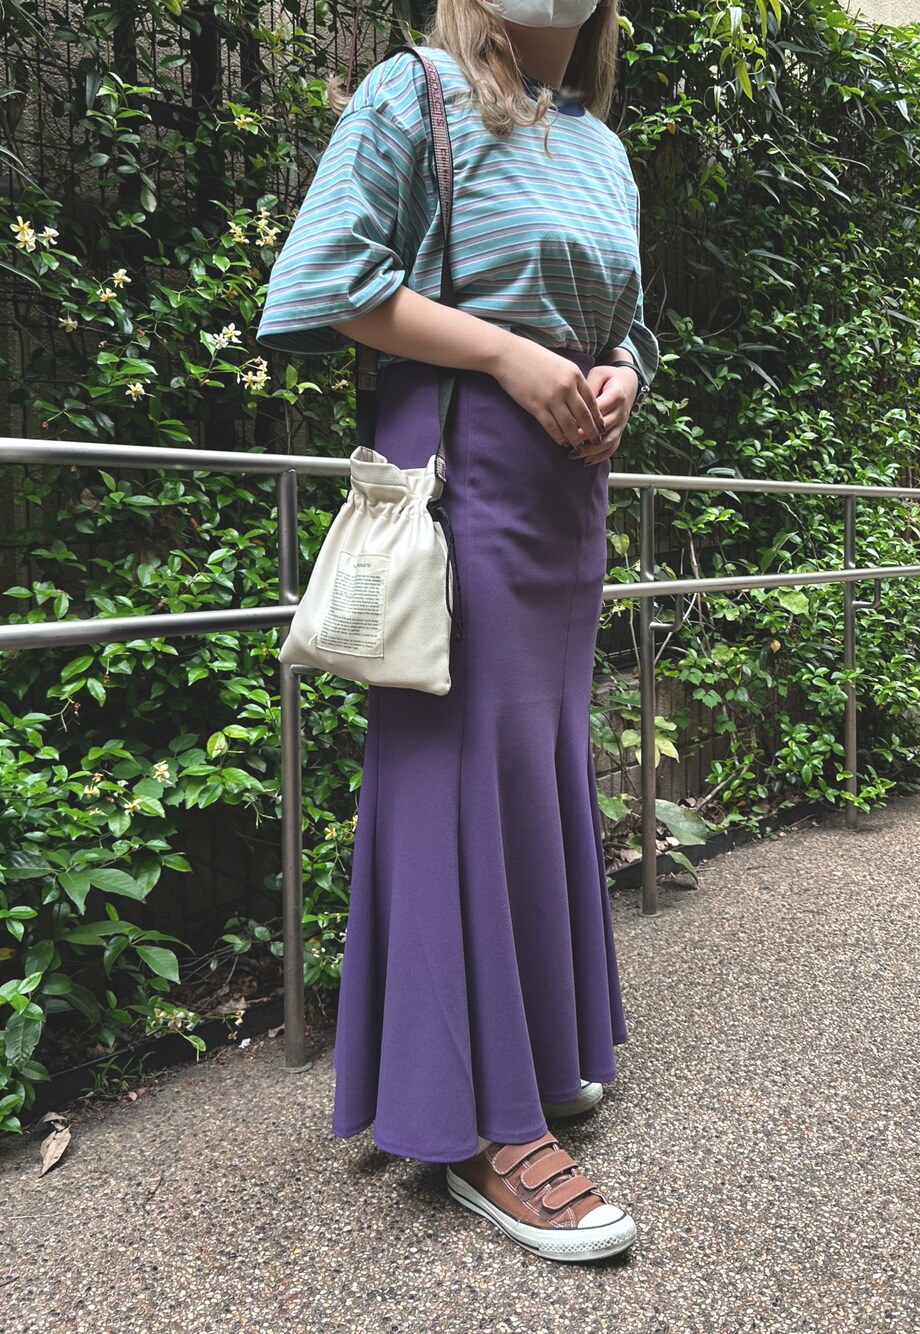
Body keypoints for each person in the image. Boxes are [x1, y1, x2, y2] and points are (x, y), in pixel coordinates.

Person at [255, 0, 658, 1263]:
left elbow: (630, 320)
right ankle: (480, 1127)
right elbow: (326, 278)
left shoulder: (600, 141)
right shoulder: (414, 91)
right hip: (463, 473)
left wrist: (622, 373)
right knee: (452, 774)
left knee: (532, 761)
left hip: (565, 492)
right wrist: (506, 358)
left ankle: (525, 1048)